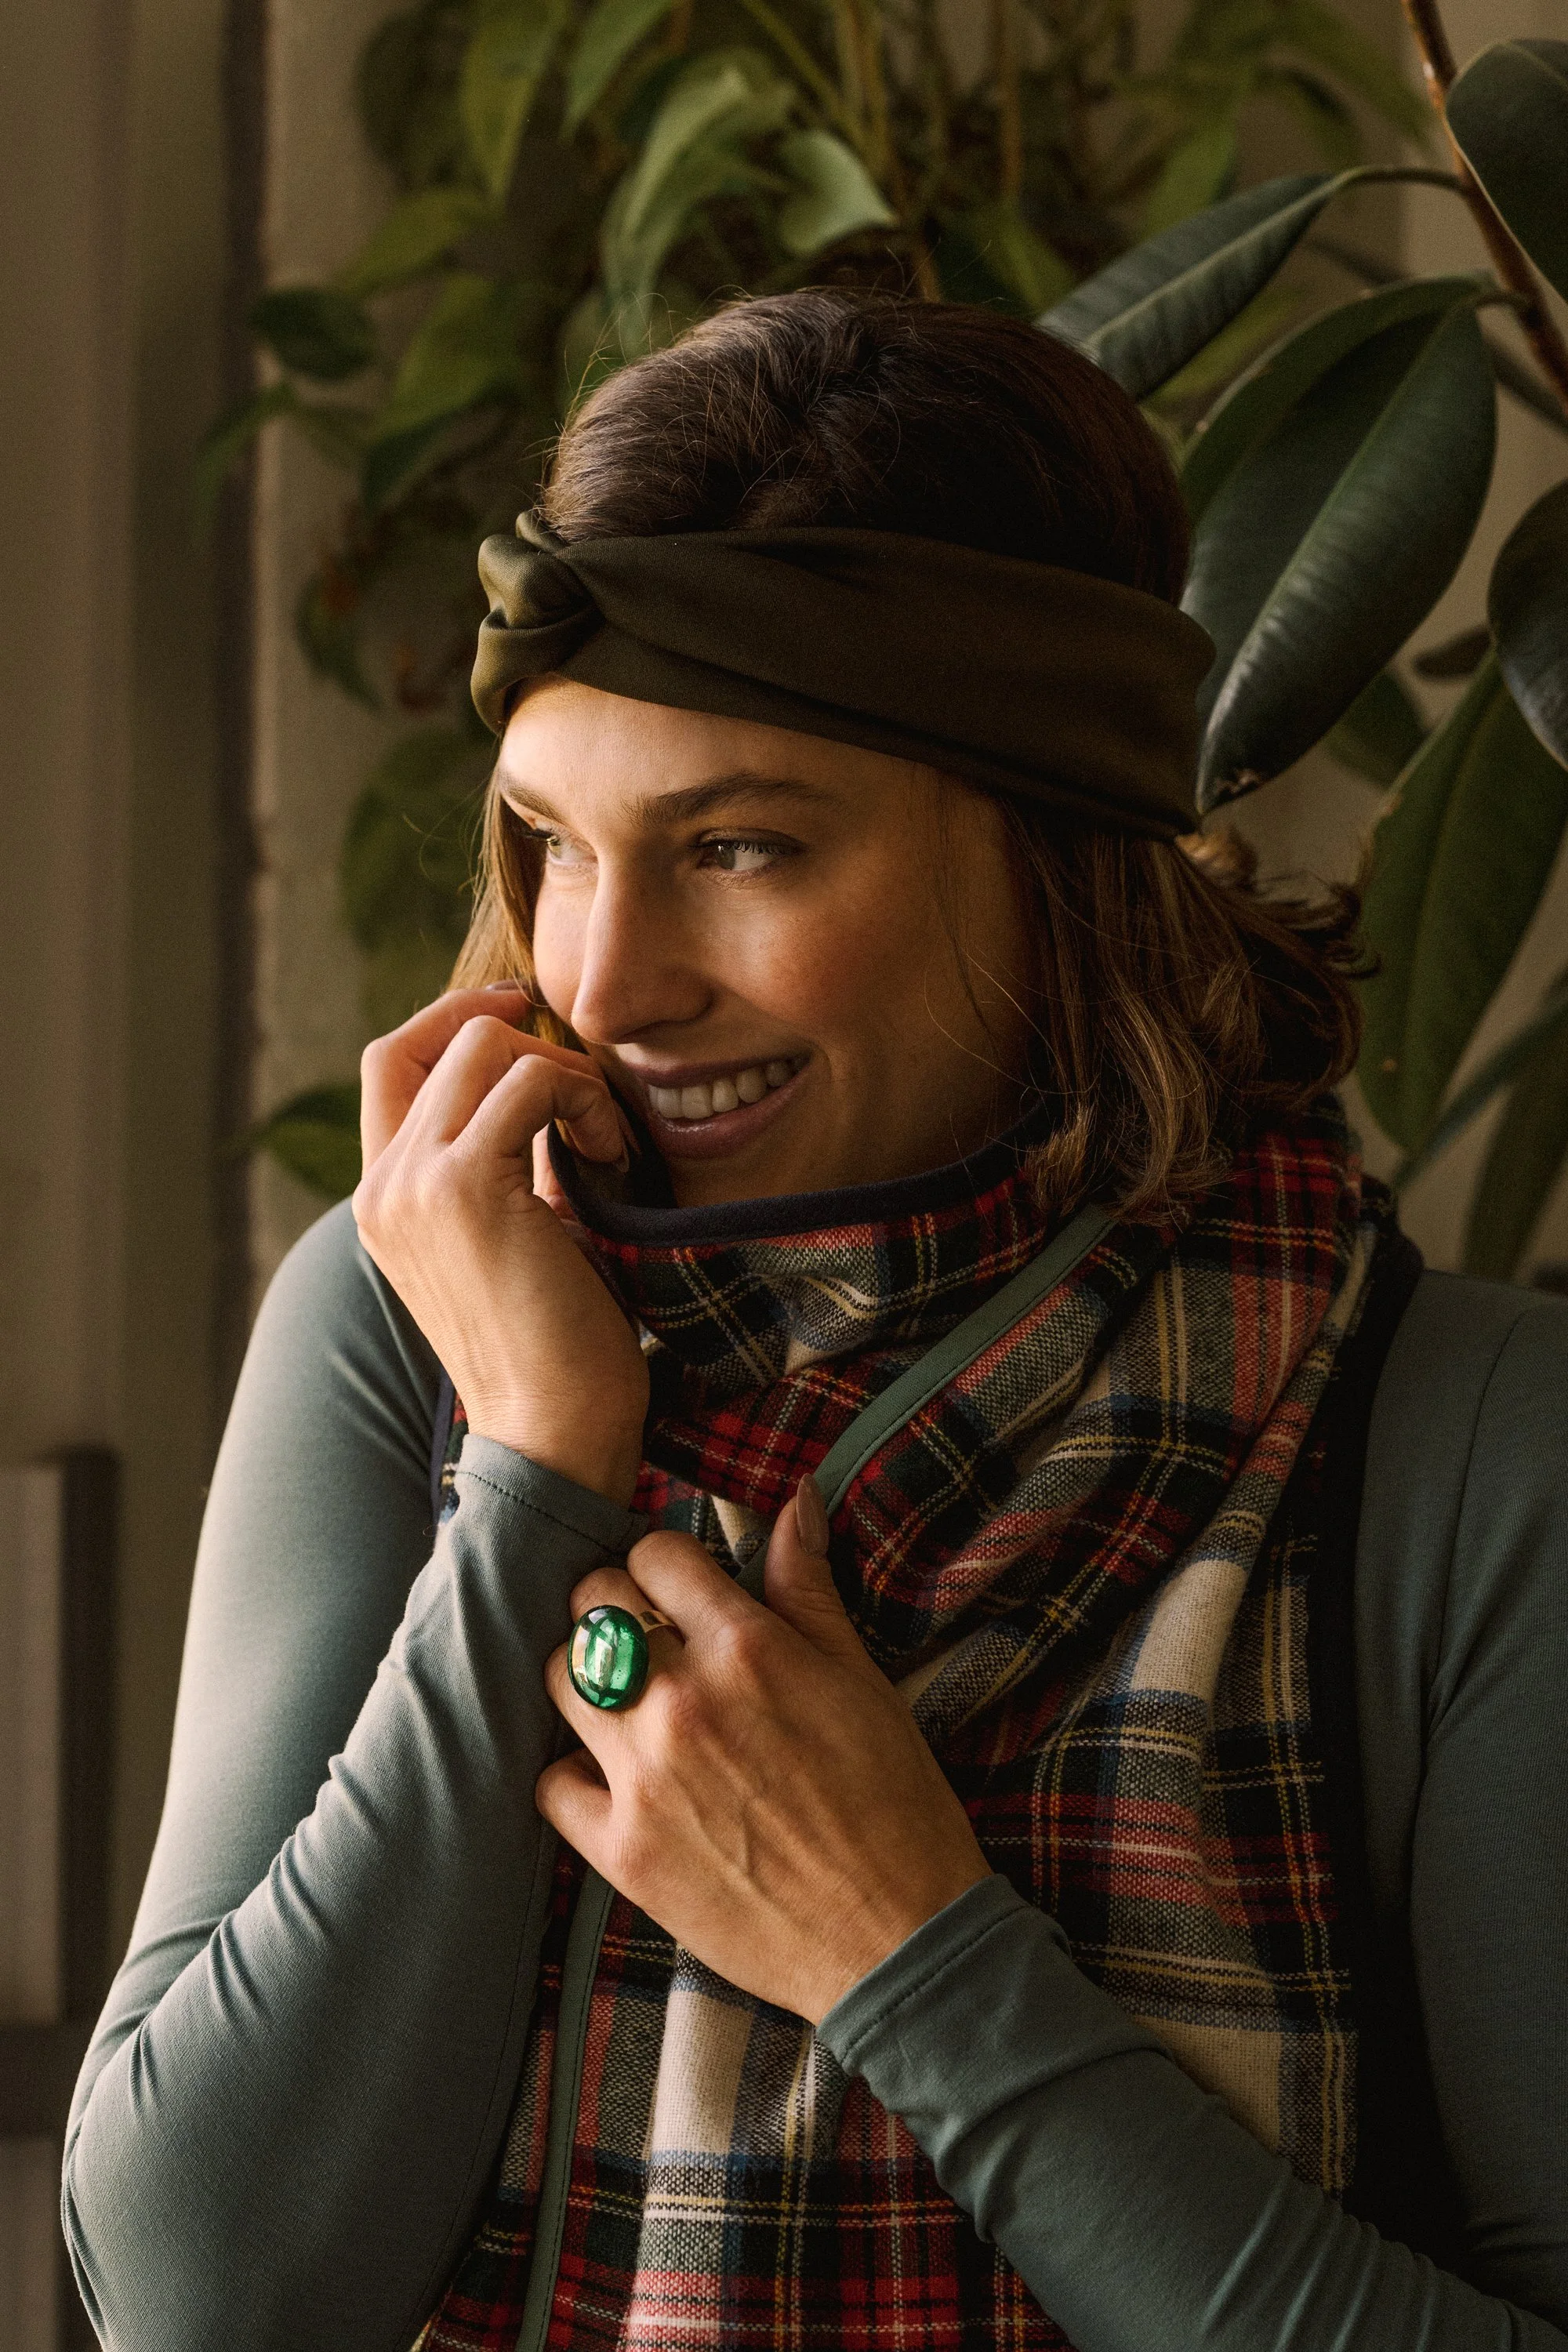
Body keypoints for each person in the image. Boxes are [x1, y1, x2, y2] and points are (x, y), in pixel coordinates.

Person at [64, 290, 1568, 2352]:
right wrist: (531, 1476)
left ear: (1059, 850)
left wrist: (912, 1954)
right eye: (553, 842)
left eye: (741, 845)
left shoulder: (1459, 1438)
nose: (608, 981)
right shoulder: (411, 1325)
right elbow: (196, 2291)